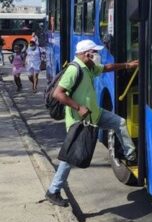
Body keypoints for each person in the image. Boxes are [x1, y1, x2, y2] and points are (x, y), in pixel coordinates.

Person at [45, 39, 138, 207]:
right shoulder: (74, 70)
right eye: (95, 52)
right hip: (79, 121)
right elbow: (58, 94)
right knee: (69, 158)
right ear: (85, 53)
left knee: (120, 123)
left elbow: (106, 68)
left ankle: (130, 156)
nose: (97, 55)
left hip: (96, 114)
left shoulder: (88, 67)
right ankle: (53, 190)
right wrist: (78, 107)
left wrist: (127, 65)